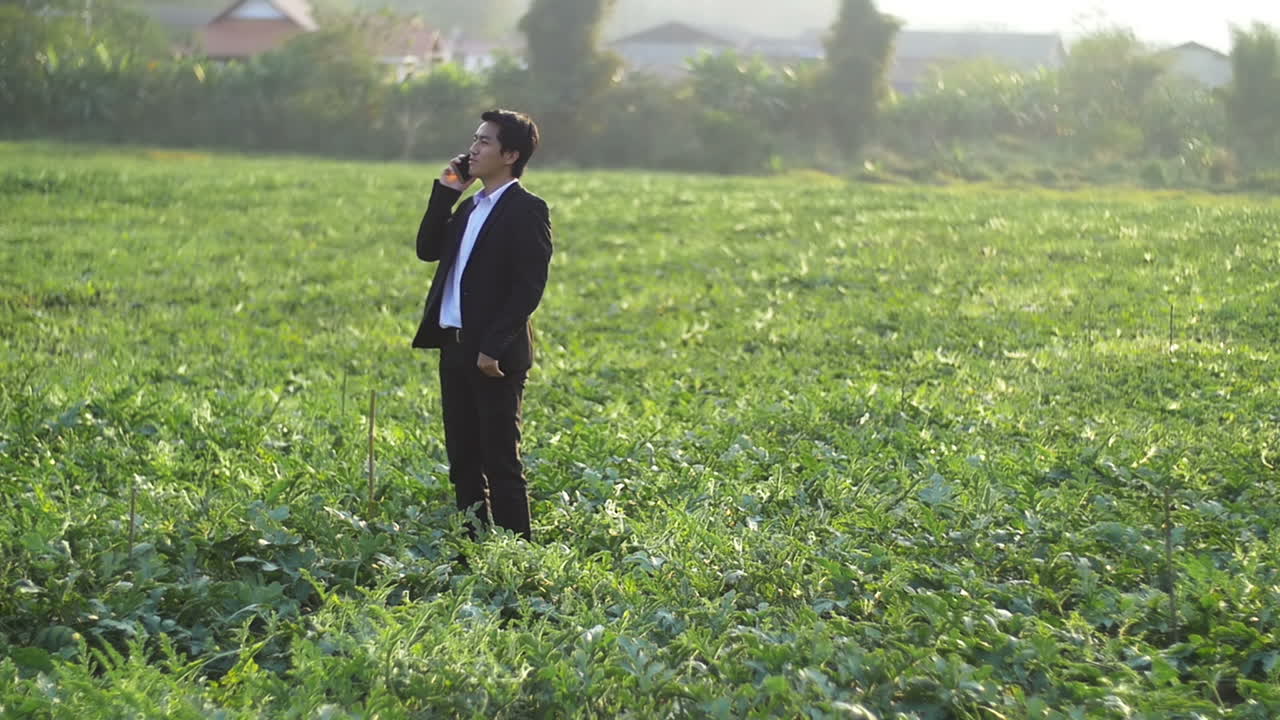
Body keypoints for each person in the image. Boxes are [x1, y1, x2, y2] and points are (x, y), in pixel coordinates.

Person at [411, 109, 551, 541]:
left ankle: (516, 553)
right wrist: (446, 191)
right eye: (474, 139)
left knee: (501, 461)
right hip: (454, 347)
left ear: (510, 155)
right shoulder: (469, 207)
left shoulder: (527, 210)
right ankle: (471, 548)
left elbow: (528, 287)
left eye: (485, 142)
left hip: (494, 355)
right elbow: (427, 249)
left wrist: (493, 347)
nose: (473, 149)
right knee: (464, 461)